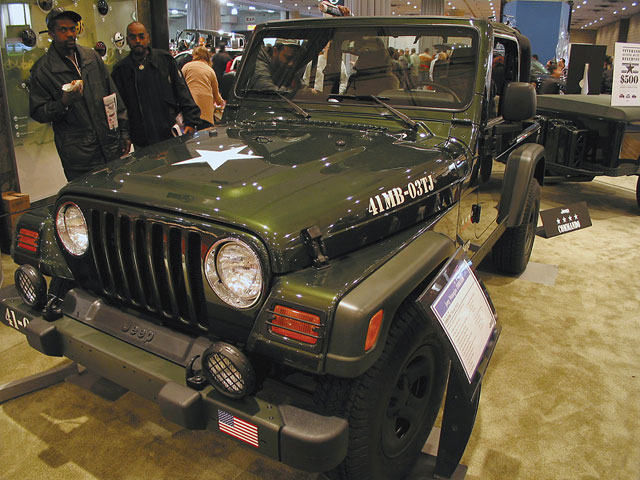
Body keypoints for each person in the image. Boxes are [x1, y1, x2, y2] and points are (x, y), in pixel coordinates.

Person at [29, 8, 130, 181]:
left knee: (115, 192)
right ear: (51, 33)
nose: (70, 34)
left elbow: (113, 97)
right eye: (63, 30)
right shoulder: (42, 70)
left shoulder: (92, 58)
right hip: (79, 157)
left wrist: (125, 132)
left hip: (110, 147)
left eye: (73, 29)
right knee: (88, 196)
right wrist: (63, 103)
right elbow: (38, 112)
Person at [111, 22, 202, 148]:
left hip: (171, 133)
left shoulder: (165, 60)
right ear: (127, 40)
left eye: (141, 36)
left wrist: (191, 121)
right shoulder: (121, 70)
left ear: (148, 38)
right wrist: (125, 135)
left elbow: (182, 91)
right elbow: (120, 108)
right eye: (133, 37)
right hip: (141, 139)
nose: (137, 41)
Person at [181, 46, 224, 126]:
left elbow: (180, 85)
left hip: (190, 106)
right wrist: (221, 102)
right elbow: (215, 93)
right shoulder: (210, 70)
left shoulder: (186, 67)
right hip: (206, 109)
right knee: (206, 130)